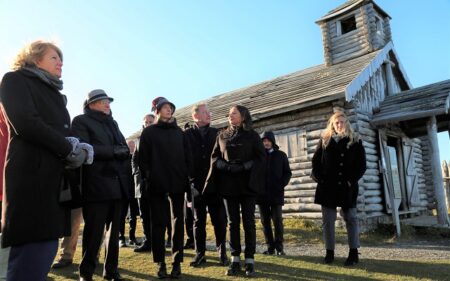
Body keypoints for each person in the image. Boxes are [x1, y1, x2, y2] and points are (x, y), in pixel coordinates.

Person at [0, 40, 88, 280]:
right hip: (30, 179)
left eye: (61, 59)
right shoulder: (14, 80)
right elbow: (25, 122)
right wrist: (67, 148)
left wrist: (80, 146)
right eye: (54, 57)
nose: (60, 62)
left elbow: (63, 130)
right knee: (27, 258)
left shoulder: (56, 94)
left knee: (46, 248)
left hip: (53, 183)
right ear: (34, 58)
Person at [72, 89, 131, 281]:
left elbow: (123, 148)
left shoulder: (113, 123)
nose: (107, 104)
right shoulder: (81, 121)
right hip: (97, 186)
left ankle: (111, 271)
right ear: (91, 104)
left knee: (114, 235)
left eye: (108, 101)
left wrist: (122, 151)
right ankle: (86, 273)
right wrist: (114, 151)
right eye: (102, 101)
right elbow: (84, 148)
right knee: (93, 233)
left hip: (118, 186)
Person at [204, 105, 265, 277]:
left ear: (243, 116)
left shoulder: (252, 135)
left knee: (248, 222)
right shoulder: (222, 136)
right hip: (229, 185)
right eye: (229, 114)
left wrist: (246, 165)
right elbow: (214, 157)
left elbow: (261, 157)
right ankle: (235, 259)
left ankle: (250, 260)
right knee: (232, 223)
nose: (230, 116)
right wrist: (226, 166)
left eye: (234, 113)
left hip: (248, 185)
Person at [139, 97, 190, 279]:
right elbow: (142, 160)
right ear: (157, 111)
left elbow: (187, 158)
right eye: (165, 107)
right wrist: (150, 177)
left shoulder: (179, 133)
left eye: (170, 107)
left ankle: (177, 263)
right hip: (157, 184)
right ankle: (160, 263)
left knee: (178, 223)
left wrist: (186, 179)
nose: (169, 110)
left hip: (177, 183)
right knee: (158, 224)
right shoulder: (148, 133)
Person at [311, 111, 366, 266]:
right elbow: (315, 162)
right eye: (337, 122)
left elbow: (361, 165)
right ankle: (329, 253)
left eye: (342, 122)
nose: (340, 124)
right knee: (328, 221)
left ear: (346, 123)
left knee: (352, 219)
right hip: (327, 188)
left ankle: (354, 253)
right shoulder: (325, 140)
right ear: (332, 124)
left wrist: (351, 181)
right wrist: (320, 180)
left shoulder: (355, 140)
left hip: (347, 187)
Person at [184, 103, 228, 268]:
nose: (209, 114)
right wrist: (189, 184)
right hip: (195, 186)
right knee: (198, 221)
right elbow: (183, 160)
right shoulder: (186, 135)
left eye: (209, 112)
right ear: (196, 116)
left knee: (219, 220)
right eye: (205, 112)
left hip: (215, 185)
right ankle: (200, 254)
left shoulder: (217, 133)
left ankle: (222, 252)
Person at [257, 131, 292, 256]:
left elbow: (288, 172)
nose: (266, 143)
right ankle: (270, 247)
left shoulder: (281, 155)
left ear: (272, 142)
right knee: (265, 221)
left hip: (276, 194)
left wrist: (281, 184)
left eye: (268, 141)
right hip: (261, 195)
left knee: (277, 221)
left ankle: (279, 247)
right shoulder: (259, 156)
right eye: (264, 141)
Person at [133, 114, 155, 253]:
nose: (147, 124)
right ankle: (148, 241)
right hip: (141, 185)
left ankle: (158, 242)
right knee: (144, 215)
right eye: (146, 122)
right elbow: (134, 159)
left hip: (156, 183)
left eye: (150, 122)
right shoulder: (138, 140)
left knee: (156, 215)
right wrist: (136, 173)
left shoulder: (160, 137)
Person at [118, 140, 141, 248]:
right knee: (121, 215)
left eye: (133, 146)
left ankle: (132, 237)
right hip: (123, 191)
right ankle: (121, 238)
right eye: (130, 146)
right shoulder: (122, 159)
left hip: (134, 191)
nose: (131, 148)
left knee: (133, 216)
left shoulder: (136, 158)